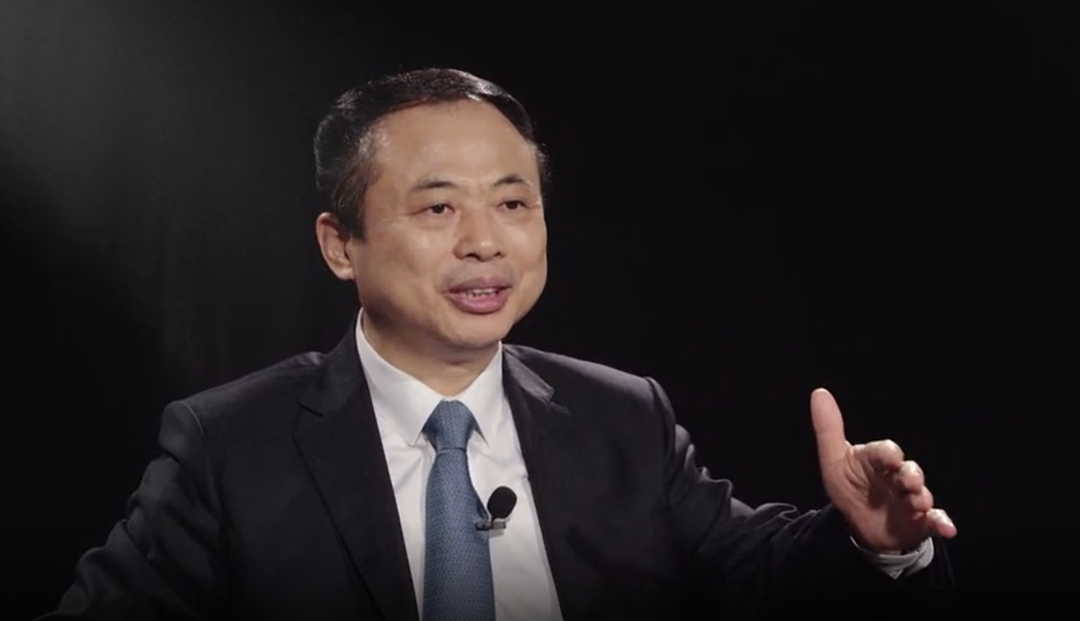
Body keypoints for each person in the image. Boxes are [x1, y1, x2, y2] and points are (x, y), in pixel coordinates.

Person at [39, 68, 956, 621]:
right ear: (340, 244)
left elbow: (750, 577)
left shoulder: (621, 416)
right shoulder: (231, 445)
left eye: (513, 202)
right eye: (439, 207)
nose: (486, 242)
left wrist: (872, 544)